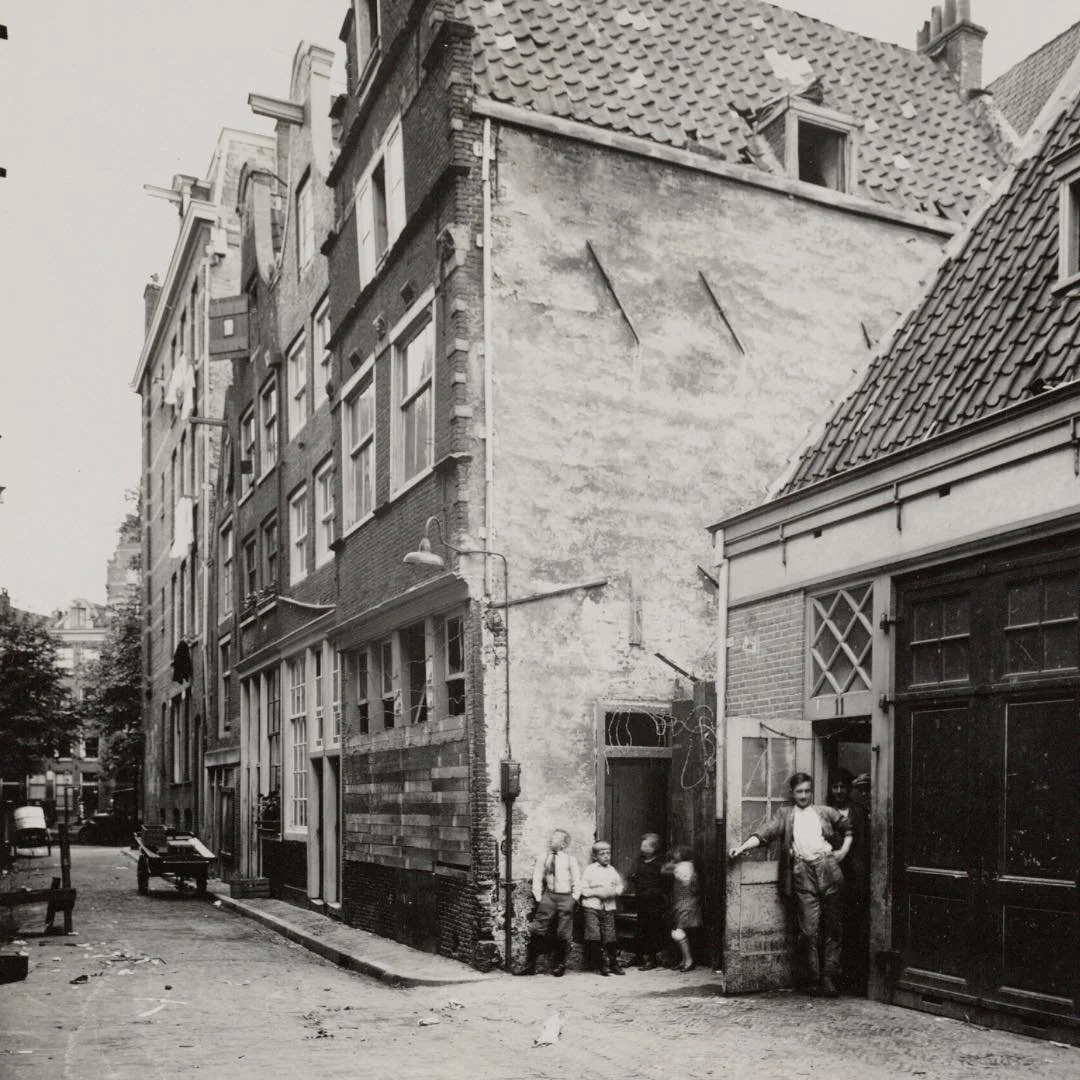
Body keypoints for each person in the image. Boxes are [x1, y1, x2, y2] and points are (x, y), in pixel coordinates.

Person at [728, 772, 852, 997]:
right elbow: (765, 833)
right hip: (803, 872)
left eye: (807, 791)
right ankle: (813, 978)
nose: (803, 796)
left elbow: (848, 827)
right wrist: (742, 847)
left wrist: (843, 850)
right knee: (808, 931)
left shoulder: (825, 811)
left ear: (811, 791)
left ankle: (829, 977)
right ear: (792, 793)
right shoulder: (786, 815)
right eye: (799, 792)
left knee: (834, 927)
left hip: (829, 869)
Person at [828, 768, 870, 994]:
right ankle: (835, 975)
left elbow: (865, 842)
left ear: (849, 789)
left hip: (856, 876)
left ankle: (855, 978)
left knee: (856, 925)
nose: (838, 791)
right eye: (835, 787)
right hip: (833, 874)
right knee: (835, 925)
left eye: (842, 787)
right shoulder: (825, 812)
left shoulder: (859, 812)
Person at [519, 828, 581, 976]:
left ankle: (560, 964)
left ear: (563, 844)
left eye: (555, 838)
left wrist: (574, 898)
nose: (551, 840)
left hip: (566, 897)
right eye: (551, 837)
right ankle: (530, 964)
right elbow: (537, 876)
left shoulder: (570, 860)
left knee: (563, 931)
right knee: (538, 928)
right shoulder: (544, 857)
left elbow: (577, 880)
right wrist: (538, 896)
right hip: (549, 896)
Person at [579, 840, 625, 976]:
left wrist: (614, 892)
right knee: (594, 935)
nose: (606, 856)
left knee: (610, 935)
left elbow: (619, 885)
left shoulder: (612, 870)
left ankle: (613, 963)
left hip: (608, 907)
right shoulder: (590, 870)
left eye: (608, 853)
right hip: (592, 906)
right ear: (595, 856)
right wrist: (597, 893)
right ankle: (601, 964)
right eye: (602, 854)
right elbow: (583, 889)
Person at [628, 832, 667, 969]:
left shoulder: (660, 863)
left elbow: (664, 882)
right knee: (641, 928)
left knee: (652, 930)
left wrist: (655, 892)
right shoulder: (639, 860)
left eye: (645, 846)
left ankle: (652, 959)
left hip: (654, 902)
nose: (641, 848)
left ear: (654, 848)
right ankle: (639, 957)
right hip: (641, 900)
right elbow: (632, 874)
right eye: (642, 845)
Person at [663, 845, 701, 972]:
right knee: (680, 932)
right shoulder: (689, 866)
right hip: (686, 902)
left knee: (678, 932)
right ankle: (684, 960)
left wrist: (671, 864)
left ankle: (688, 961)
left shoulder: (681, 867)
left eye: (677, 853)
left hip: (685, 903)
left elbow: (664, 870)